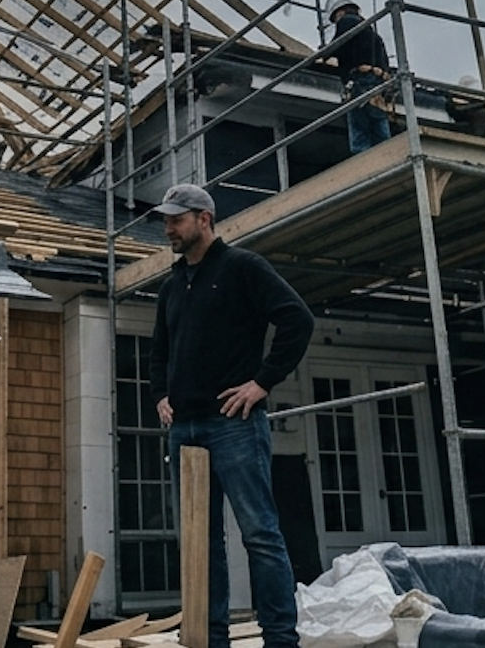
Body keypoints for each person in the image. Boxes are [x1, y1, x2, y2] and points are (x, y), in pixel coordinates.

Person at [148, 183, 312, 648]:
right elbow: (159, 351)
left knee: (260, 533)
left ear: (204, 219)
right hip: (185, 429)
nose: (168, 228)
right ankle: (211, 638)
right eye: (166, 220)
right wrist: (160, 393)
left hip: (234, 425)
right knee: (200, 544)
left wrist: (261, 382)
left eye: (176, 219)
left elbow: (298, 320)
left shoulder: (243, 268)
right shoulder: (172, 286)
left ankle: (281, 638)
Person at [317, 0, 394, 153]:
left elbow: (338, 45)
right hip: (378, 83)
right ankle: (388, 158)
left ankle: (365, 167)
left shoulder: (347, 21)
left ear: (340, 12)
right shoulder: (373, 35)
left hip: (361, 80)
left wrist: (323, 54)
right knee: (379, 127)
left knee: (360, 132)